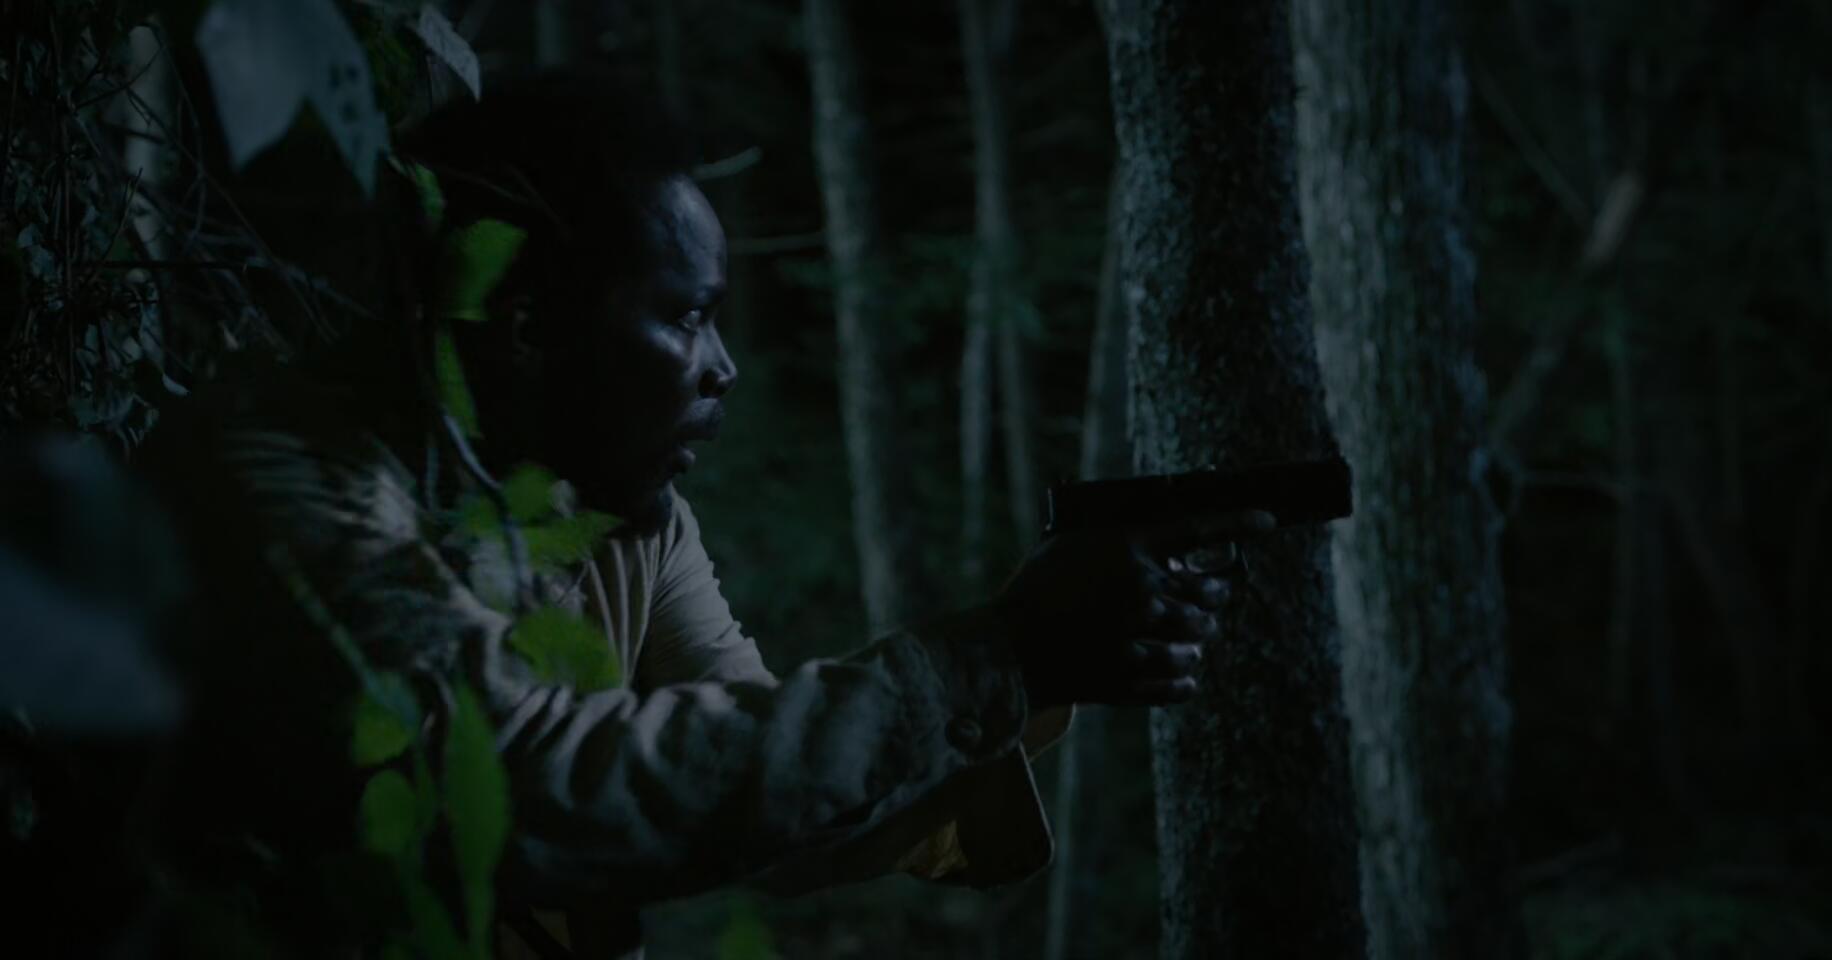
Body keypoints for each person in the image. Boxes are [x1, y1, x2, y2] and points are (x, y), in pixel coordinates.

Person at [137, 69, 1271, 959]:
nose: (723, 366)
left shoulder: (625, 519)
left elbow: (766, 802)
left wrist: (1033, 657)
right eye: (685, 317)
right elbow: (532, 793)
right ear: (528, 328)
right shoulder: (285, 475)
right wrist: (996, 655)